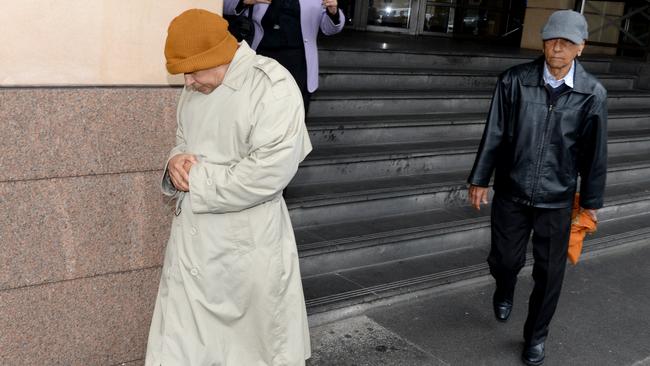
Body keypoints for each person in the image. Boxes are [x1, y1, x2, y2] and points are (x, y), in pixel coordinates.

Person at [145, 9, 312, 366]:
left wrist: (198, 178)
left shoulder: (273, 86)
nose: (187, 82)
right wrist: (175, 162)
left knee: (248, 353)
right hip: (191, 246)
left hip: (245, 251)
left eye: (192, 70)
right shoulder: (196, 90)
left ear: (218, 56)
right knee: (182, 349)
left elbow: (269, 173)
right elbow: (183, 141)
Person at [467, 10, 607, 366]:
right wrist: (480, 178)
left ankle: (536, 337)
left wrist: (590, 202)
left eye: (567, 43)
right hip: (512, 191)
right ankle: (505, 285)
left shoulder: (592, 94)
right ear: (543, 42)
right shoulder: (514, 81)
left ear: (581, 48)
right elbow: (494, 132)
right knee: (505, 260)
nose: (557, 49)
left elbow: (595, 153)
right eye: (551, 40)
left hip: (556, 199)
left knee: (550, 274)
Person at [224, 0, 345, 112]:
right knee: (255, 111)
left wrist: (333, 12)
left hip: (298, 63)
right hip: (260, 59)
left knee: (293, 116)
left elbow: (329, 29)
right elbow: (224, 4)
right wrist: (244, 1)